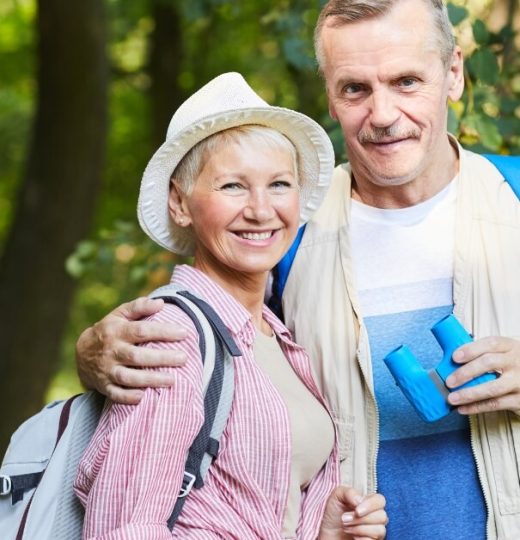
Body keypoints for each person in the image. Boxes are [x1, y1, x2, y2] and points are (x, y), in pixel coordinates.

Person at [76, 1, 520, 538]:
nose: (381, 114)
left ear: (453, 74)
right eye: (355, 88)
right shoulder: (285, 235)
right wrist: (93, 358)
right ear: (330, 96)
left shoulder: (513, 197)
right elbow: (206, 379)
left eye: (406, 81)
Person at [74, 72, 387, 539]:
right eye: (233, 187)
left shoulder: (276, 336)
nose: (262, 210)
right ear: (180, 203)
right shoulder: (172, 336)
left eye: (279, 184)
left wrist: (322, 531)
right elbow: (125, 527)